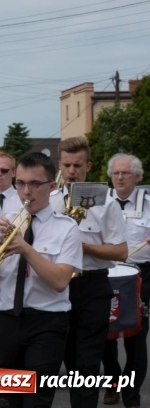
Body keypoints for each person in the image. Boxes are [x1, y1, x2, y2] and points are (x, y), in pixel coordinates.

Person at [0, 152, 82, 408]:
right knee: (8, 400)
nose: (25, 191)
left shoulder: (66, 228)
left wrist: (26, 249)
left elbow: (60, 281)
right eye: (20, 183)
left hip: (47, 321)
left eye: (34, 184)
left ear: (51, 187)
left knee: (36, 399)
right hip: (7, 318)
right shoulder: (5, 222)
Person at [50, 136, 127, 408]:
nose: (72, 171)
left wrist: (82, 246)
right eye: (67, 165)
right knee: (69, 361)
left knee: (88, 363)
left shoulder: (107, 204)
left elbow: (120, 252)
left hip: (92, 286)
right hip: (59, 286)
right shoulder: (50, 202)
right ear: (60, 164)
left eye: (78, 165)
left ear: (88, 166)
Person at [101, 153, 149, 407]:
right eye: (116, 173)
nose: (120, 177)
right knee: (105, 338)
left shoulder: (149, 203)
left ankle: (132, 394)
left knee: (136, 341)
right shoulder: (100, 202)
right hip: (107, 273)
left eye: (126, 173)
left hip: (141, 276)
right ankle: (113, 382)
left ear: (138, 177)